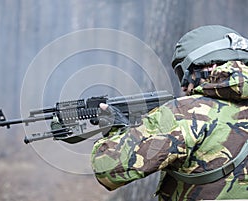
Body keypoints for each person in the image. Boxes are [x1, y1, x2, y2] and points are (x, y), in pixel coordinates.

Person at [90, 25, 248, 200]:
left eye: (184, 73)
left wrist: (116, 129)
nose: (183, 86)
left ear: (208, 65)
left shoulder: (183, 113)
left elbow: (107, 167)